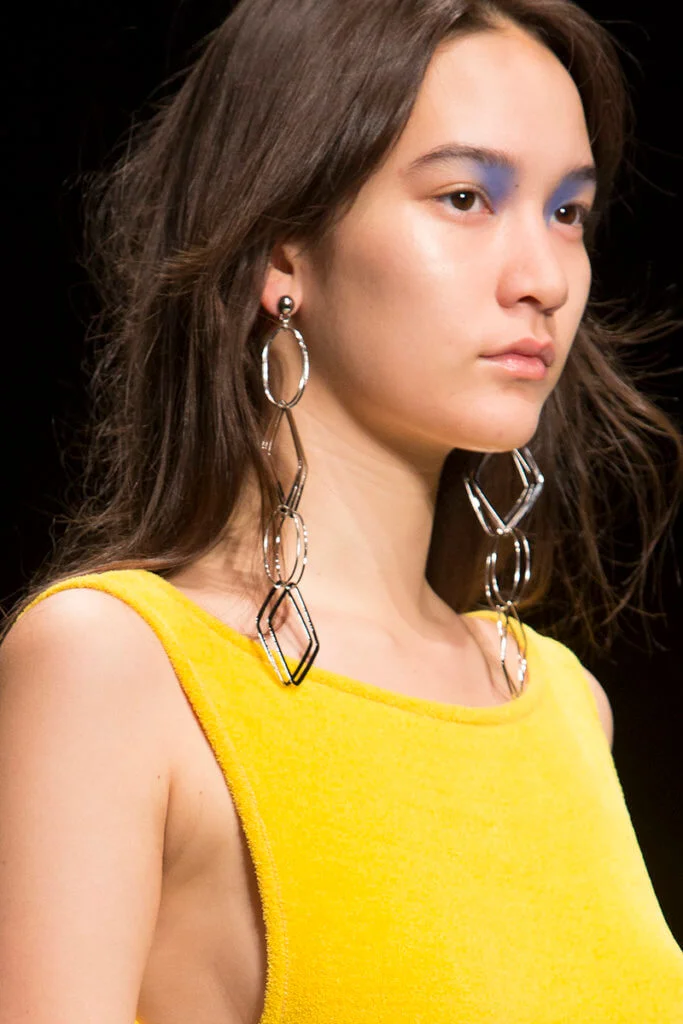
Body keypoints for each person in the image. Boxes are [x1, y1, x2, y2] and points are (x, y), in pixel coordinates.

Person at [1, 0, 682, 1020]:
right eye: (464, 197)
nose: (543, 279)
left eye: (566, 212)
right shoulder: (117, 668)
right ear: (283, 248)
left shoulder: (561, 704)